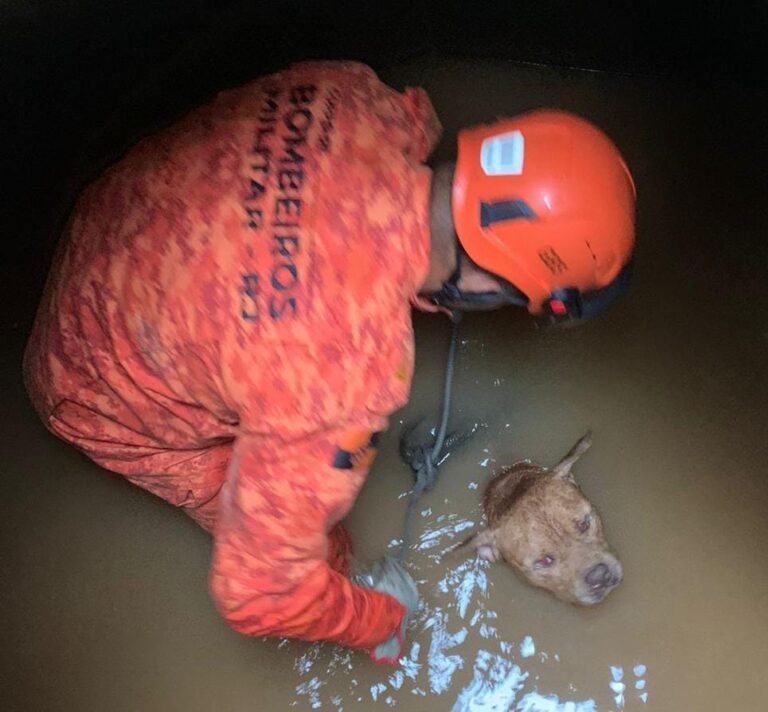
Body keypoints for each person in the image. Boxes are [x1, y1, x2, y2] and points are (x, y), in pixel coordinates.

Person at [23, 61, 635, 664]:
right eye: (512, 298)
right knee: (318, 555)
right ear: (485, 281)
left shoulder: (356, 94)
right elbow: (259, 594)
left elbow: (329, 226)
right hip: (95, 385)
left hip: (109, 228)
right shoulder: (340, 380)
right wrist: (375, 619)